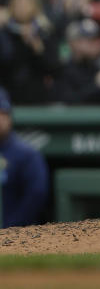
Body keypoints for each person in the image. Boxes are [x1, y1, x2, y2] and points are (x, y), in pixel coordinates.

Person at [0, 87, 49, 228]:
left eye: (3, 113)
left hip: (17, 236)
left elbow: (37, 193)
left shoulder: (26, 154)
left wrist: (11, 228)